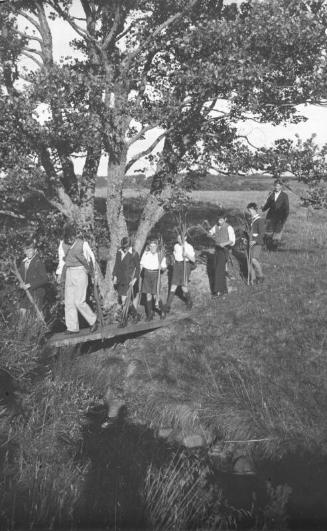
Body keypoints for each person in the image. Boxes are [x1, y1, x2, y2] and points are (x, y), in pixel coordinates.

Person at [56, 224, 98, 334]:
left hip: (81, 272)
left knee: (79, 301)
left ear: (74, 235)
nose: (69, 240)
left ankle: (93, 321)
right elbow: (62, 261)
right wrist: (59, 274)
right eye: (67, 237)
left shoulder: (83, 244)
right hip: (69, 272)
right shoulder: (62, 244)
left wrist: (94, 275)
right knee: (69, 302)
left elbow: (91, 259)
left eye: (71, 237)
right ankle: (72, 327)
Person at [112, 236, 141, 325]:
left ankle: (123, 320)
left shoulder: (134, 253)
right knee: (124, 300)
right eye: (124, 247)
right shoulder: (119, 253)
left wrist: (135, 279)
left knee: (124, 300)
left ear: (129, 245)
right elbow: (116, 265)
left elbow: (138, 269)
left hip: (129, 280)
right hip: (121, 280)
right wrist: (115, 276)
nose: (125, 249)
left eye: (126, 247)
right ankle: (136, 315)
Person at [164, 233, 195, 313]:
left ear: (185, 237)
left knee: (183, 287)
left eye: (180, 238)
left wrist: (187, 255)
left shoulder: (189, 247)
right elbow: (174, 255)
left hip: (185, 266)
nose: (179, 240)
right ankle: (168, 306)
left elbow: (193, 260)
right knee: (173, 285)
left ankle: (189, 301)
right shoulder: (176, 246)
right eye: (178, 238)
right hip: (177, 266)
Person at [18, 237, 48, 315]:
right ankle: (24, 327)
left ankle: (42, 326)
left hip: (37, 292)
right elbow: (22, 277)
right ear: (24, 251)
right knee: (22, 311)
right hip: (26, 292)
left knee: (38, 312)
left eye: (31, 250)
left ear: (35, 250)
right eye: (27, 250)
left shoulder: (38, 262)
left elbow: (45, 279)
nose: (29, 252)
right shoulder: (23, 263)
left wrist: (30, 285)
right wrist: (21, 284)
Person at [209, 213, 235, 297]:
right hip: (217, 250)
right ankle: (224, 290)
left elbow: (232, 240)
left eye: (221, 220)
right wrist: (209, 234)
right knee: (217, 268)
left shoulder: (229, 227)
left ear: (225, 219)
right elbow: (210, 232)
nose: (219, 221)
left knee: (219, 270)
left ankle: (218, 292)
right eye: (218, 220)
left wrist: (224, 244)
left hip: (224, 250)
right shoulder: (215, 226)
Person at [140, 239, 167, 321]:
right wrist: (139, 271)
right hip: (147, 274)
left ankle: (162, 311)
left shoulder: (160, 255)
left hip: (156, 274)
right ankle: (149, 314)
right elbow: (141, 264)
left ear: (157, 247)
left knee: (155, 295)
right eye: (151, 246)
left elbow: (164, 267)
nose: (152, 248)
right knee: (148, 295)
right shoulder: (146, 254)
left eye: (154, 246)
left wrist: (161, 267)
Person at [262, 179, 289, 250]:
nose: (276, 187)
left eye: (277, 186)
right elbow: (268, 204)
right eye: (275, 186)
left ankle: (274, 248)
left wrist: (284, 219)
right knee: (268, 233)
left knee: (277, 233)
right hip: (270, 216)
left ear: (281, 187)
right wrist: (263, 208)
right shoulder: (271, 194)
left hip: (280, 217)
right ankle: (268, 247)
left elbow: (286, 208)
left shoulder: (284, 195)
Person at [246, 202, 266, 284]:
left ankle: (260, 276)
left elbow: (262, 233)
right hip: (250, 242)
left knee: (254, 259)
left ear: (254, 210)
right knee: (250, 260)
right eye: (248, 210)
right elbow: (249, 232)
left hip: (257, 243)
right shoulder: (251, 220)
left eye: (250, 210)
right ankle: (253, 278)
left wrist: (255, 240)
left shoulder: (259, 220)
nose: (249, 212)